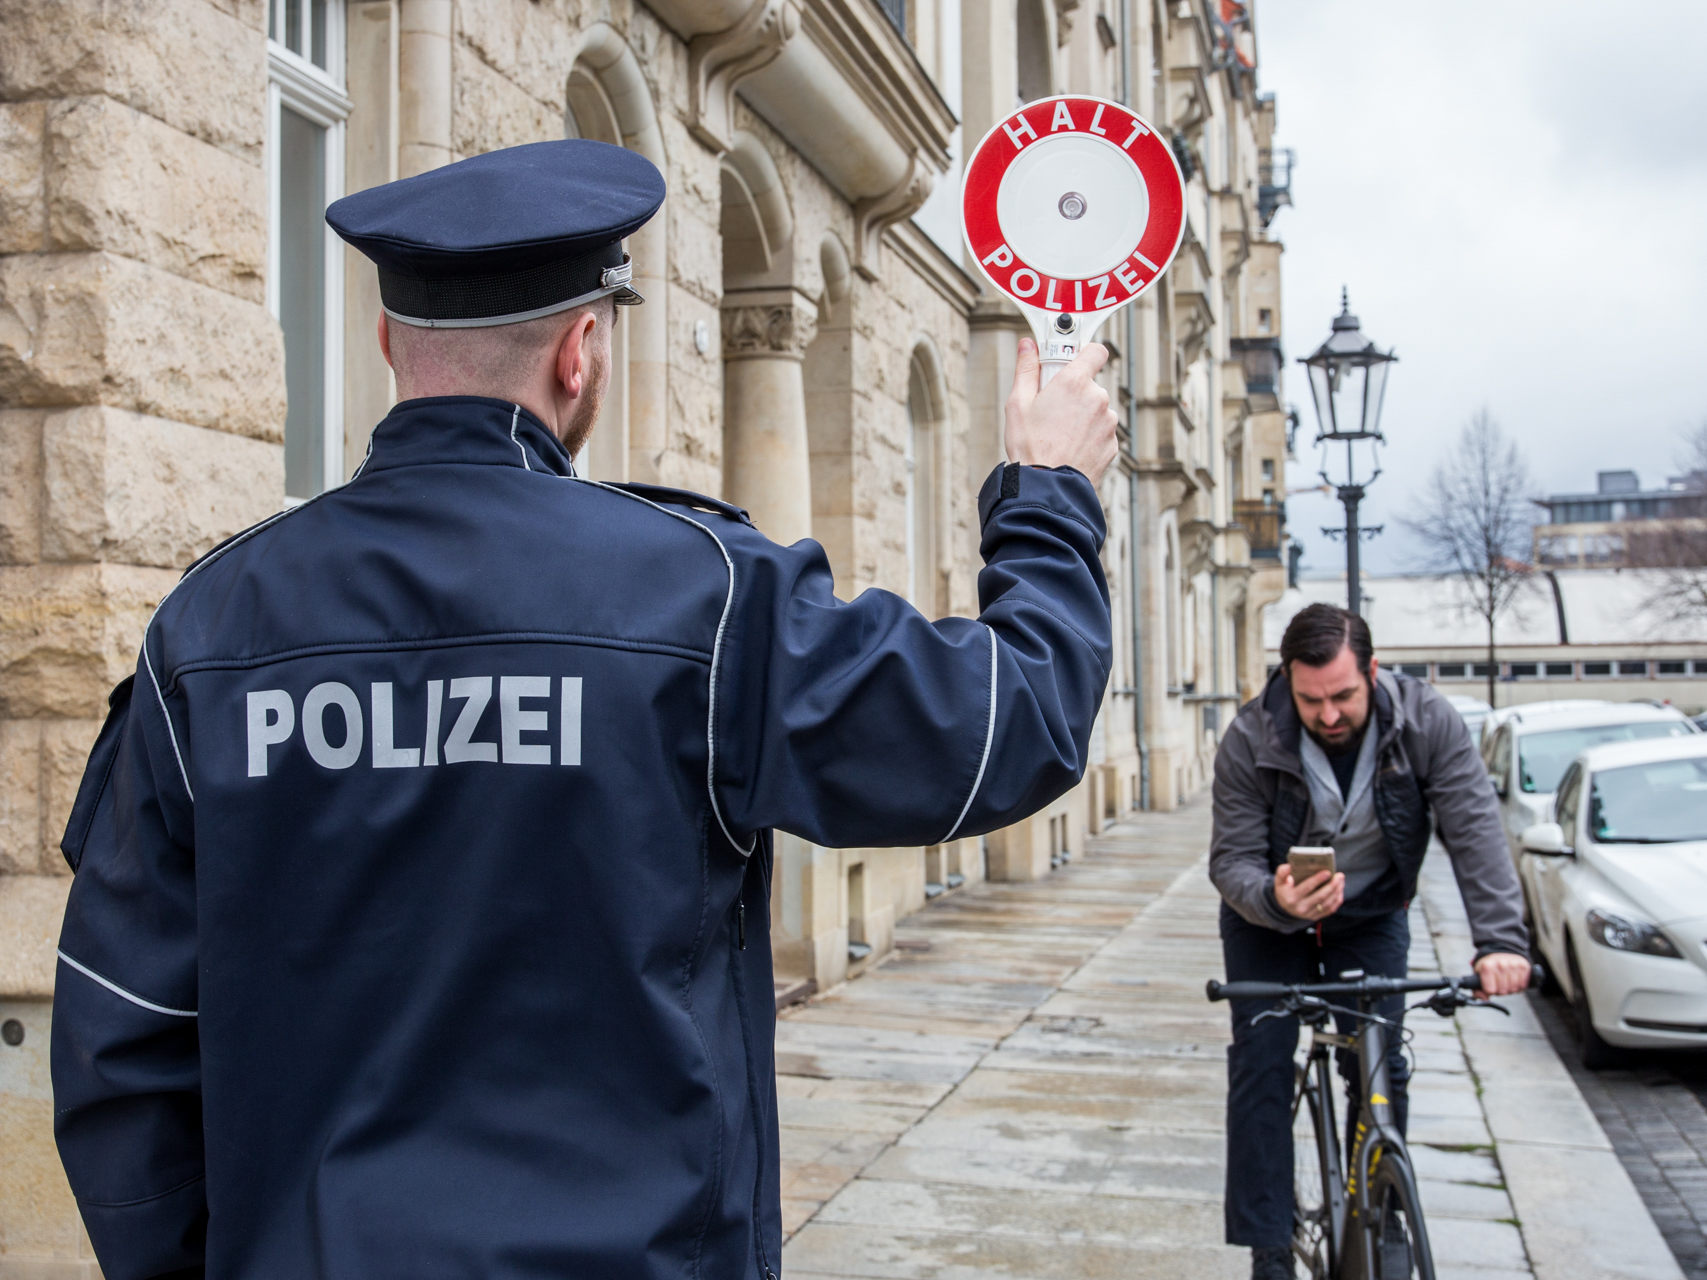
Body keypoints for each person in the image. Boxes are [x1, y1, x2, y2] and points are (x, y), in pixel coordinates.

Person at [49, 139, 1118, 1280]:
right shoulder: (704, 596)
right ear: (580, 351)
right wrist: (1050, 491)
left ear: (388, 345)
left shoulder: (211, 626)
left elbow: (119, 1030)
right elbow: (1012, 722)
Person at [1210, 602, 1530, 1280]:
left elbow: (1472, 828)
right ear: (1286, 682)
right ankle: (1269, 1244)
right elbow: (1230, 860)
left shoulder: (1426, 722)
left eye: (1342, 696)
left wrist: (1499, 942)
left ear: (1373, 672)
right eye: (1310, 699)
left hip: (1372, 912)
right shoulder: (1249, 735)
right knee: (1261, 1064)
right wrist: (1273, 898)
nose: (1327, 714)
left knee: (1382, 1063)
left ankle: (1382, 1213)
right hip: (1270, 921)